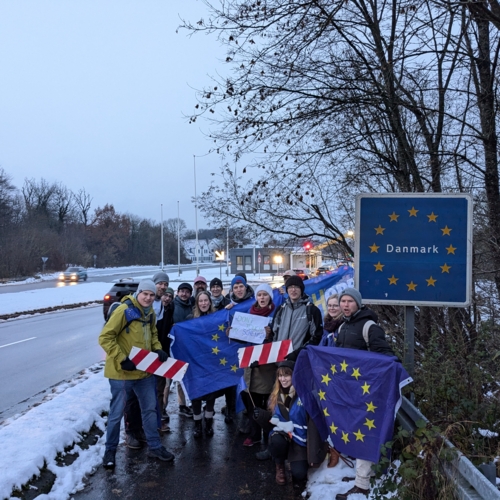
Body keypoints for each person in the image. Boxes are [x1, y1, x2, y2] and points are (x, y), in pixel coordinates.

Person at [99, 279, 174, 469]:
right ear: (138, 294)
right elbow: (105, 337)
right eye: (145, 294)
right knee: (116, 414)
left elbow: (153, 335)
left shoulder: (150, 314)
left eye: (151, 295)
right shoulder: (124, 310)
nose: (148, 298)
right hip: (121, 373)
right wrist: (122, 358)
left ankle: (156, 446)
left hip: (144, 372)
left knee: (150, 409)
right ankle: (110, 451)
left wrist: (157, 349)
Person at [334, 287, 396, 500]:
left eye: (350, 301)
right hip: (347, 392)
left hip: (366, 393)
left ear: (358, 304)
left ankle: (362, 484)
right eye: (343, 301)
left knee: (364, 433)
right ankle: (360, 476)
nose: (345, 305)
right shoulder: (342, 326)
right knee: (354, 432)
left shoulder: (370, 327)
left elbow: (387, 357)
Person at [256, 360, 308, 485]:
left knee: (300, 474)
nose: (283, 379)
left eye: (286, 375)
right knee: (276, 441)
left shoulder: (304, 394)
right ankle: (279, 465)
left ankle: (298, 460)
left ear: (294, 375)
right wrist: (260, 416)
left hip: (299, 437)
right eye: (280, 376)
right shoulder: (274, 395)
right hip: (282, 434)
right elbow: (272, 421)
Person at [241, 284, 276, 452]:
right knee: (251, 402)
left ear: (270, 297)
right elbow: (243, 337)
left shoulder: (276, 314)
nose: (262, 298)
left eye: (265, 295)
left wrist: (270, 336)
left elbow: (279, 339)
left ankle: (269, 434)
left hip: (267, 366)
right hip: (251, 365)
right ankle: (254, 435)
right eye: (259, 295)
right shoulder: (248, 314)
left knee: (266, 404)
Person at [186, 291, 218, 438]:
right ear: (197, 304)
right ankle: (197, 424)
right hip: (195, 364)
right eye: (201, 301)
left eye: (206, 301)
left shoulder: (216, 318)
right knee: (196, 395)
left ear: (210, 302)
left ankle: (209, 422)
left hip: (211, 363)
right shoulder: (190, 319)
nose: (204, 303)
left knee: (211, 395)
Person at [269, 275, 323, 360]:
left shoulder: (312, 310)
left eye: (296, 287)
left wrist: (298, 353)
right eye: (290, 287)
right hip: (278, 361)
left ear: (301, 289)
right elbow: (273, 334)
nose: (293, 290)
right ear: (287, 290)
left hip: (299, 361)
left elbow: (316, 337)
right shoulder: (280, 309)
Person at [172, 283, 195, 418]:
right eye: (182, 291)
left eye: (187, 292)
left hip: (190, 346)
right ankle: (182, 404)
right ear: (178, 292)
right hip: (177, 346)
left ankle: (193, 401)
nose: (184, 294)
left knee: (190, 375)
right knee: (178, 377)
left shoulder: (192, 305)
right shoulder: (173, 306)